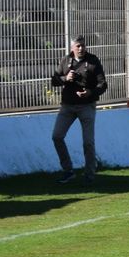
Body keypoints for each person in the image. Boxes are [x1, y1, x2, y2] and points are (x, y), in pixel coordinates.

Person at [50, 35, 108, 183]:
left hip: (86, 106)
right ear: (72, 48)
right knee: (57, 136)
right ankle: (68, 170)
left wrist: (90, 92)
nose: (81, 48)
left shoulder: (93, 61)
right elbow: (54, 80)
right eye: (78, 46)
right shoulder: (65, 61)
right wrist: (65, 79)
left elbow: (103, 84)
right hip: (67, 106)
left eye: (83, 45)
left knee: (88, 142)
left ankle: (89, 175)